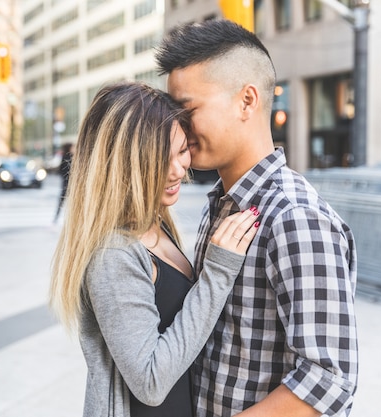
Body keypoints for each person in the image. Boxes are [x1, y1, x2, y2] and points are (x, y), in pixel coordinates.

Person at [155, 19, 358, 417]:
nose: (176, 126)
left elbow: (329, 379)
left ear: (247, 101)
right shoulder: (223, 202)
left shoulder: (295, 217)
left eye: (187, 109)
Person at [49, 81, 260, 417]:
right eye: (160, 159)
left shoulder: (155, 225)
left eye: (181, 151)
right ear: (126, 164)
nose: (179, 170)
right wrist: (217, 273)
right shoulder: (115, 254)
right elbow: (150, 383)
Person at [53, 142, 74, 223]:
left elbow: (60, 171)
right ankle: (56, 220)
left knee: (61, 203)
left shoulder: (64, 157)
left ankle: (55, 219)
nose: (74, 149)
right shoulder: (69, 158)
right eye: (73, 147)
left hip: (66, 184)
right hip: (68, 185)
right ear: (69, 148)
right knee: (67, 203)